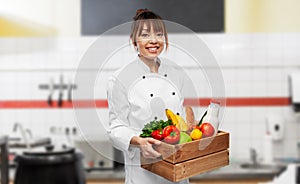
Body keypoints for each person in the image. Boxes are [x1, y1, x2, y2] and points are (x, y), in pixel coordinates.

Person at [106, 9, 189, 184]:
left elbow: (179, 121)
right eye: (145, 35)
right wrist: (139, 141)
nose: (153, 40)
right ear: (134, 41)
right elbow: (115, 128)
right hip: (143, 174)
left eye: (159, 34)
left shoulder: (176, 74)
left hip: (177, 171)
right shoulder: (120, 78)